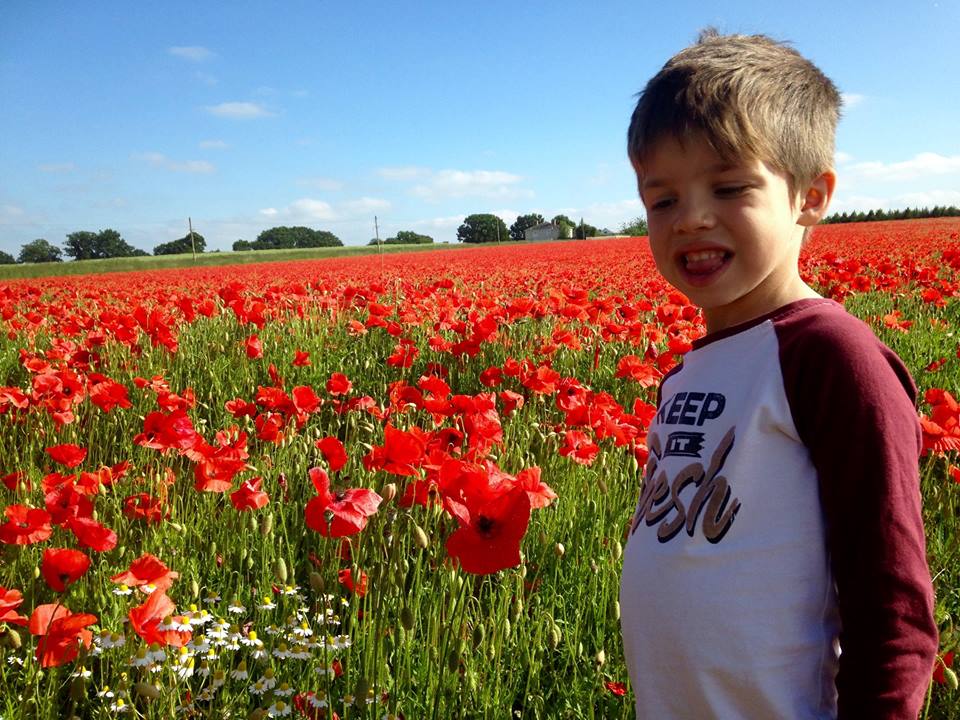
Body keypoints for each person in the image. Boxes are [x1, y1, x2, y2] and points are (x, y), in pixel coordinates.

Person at [618, 30, 938, 718]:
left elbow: (893, 606)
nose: (691, 219)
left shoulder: (830, 357)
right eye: (662, 199)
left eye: (728, 186)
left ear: (811, 196)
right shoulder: (688, 372)